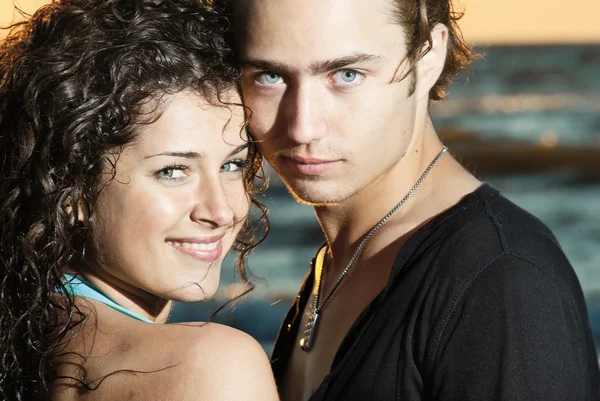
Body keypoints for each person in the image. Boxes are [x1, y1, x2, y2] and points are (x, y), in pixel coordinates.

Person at [223, 0, 600, 399]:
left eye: (347, 74)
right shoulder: (339, 263)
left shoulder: (502, 280)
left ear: (428, 57)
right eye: (269, 76)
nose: (302, 127)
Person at [0, 0, 279, 400]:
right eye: (172, 171)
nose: (222, 211)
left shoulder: (27, 342)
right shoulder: (210, 368)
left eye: (232, 165)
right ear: (73, 187)